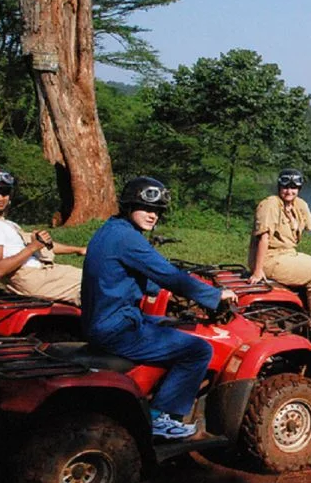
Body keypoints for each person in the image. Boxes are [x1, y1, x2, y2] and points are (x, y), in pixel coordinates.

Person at [81, 176, 238, 439]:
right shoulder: (128, 239)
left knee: (173, 324)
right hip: (117, 328)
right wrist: (215, 295)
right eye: (146, 208)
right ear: (129, 206)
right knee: (198, 350)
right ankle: (161, 418)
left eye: (157, 211)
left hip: (108, 319)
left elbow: (137, 275)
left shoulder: (111, 230)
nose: (153, 215)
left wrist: (168, 286)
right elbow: (169, 275)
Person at [0, 166, 85, 305]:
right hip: (33, 279)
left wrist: (79, 249)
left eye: (5, 192)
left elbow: (42, 245)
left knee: (97, 275)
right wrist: (32, 248)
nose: (0, 198)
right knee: (98, 281)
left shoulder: (6, 224)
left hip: (44, 273)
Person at [247, 169, 311, 313]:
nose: (289, 191)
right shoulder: (270, 205)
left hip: (288, 254)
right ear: (279, 187)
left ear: (299, 189)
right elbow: (263, 238)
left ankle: (310, 305)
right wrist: (258, 271)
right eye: (285, 187)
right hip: (269, 258)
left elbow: (309, 220)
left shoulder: (298, 204)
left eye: (293, 187)